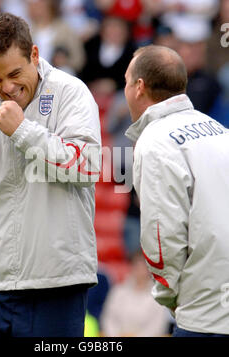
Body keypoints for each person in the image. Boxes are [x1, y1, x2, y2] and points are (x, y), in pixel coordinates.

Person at [0, 12, 101, 337]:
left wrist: (22, 132)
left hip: (57, 282)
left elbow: (87, 166)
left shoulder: (71, 92)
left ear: (34, 54)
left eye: (15, 74)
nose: (8, 88)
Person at [124, 45, 229, 337]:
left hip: (203, 317)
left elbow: (162, 238)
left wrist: (171, 300)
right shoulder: (218, 129)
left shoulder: (154, 142)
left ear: (139, 88)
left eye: (126, 81)